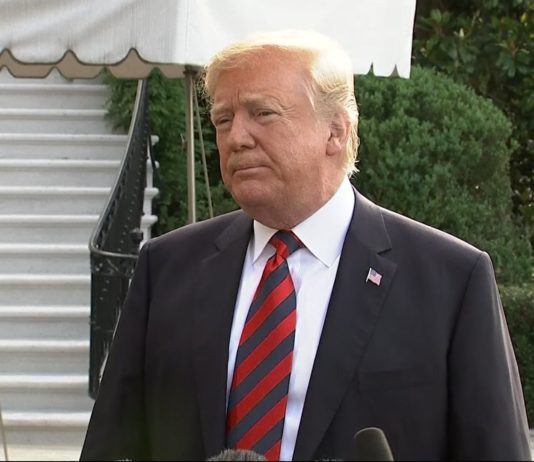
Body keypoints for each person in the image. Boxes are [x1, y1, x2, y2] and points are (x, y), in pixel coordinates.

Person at [80, 30, 531, 461]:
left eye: (263, 113)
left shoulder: (450, 281)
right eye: (222, 119)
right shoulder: (167, 268)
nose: (236, 137)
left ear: (336, 131)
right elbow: (113, 447)